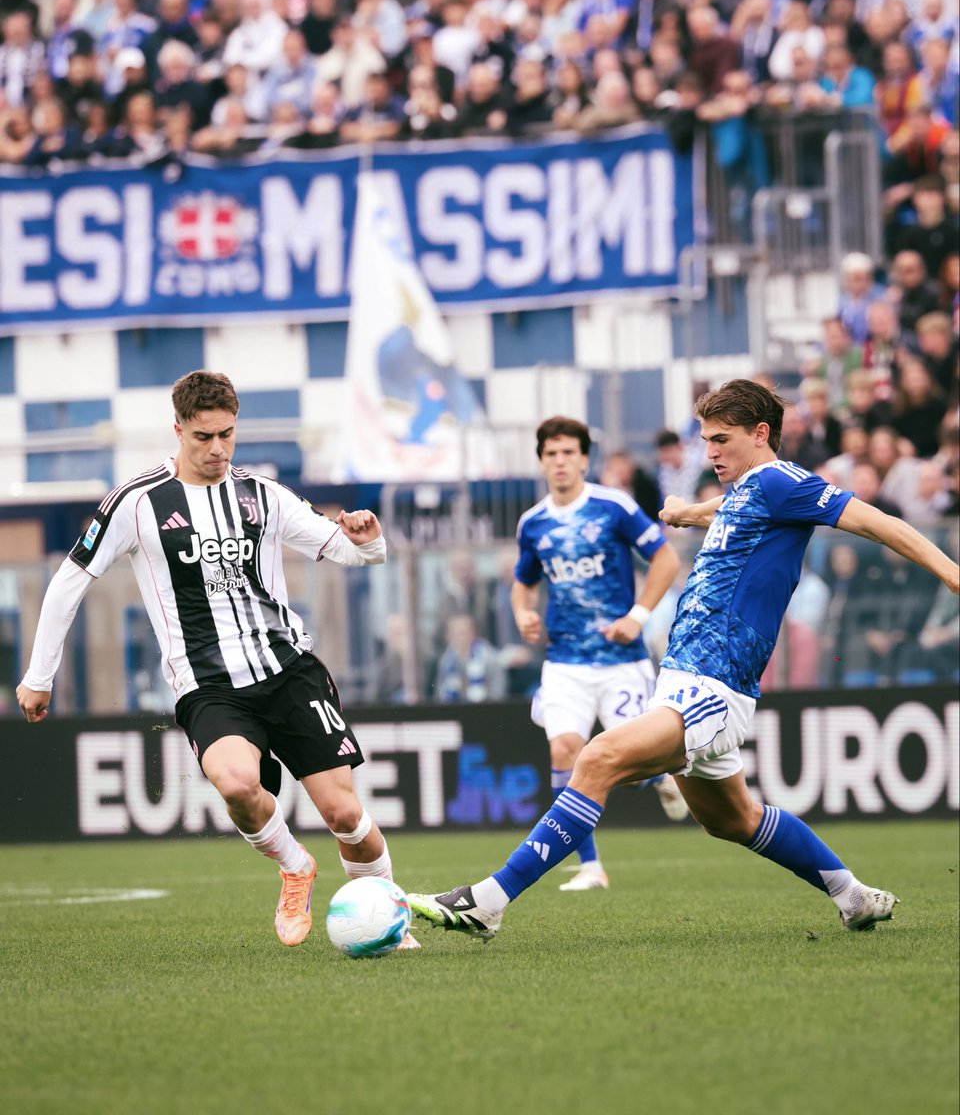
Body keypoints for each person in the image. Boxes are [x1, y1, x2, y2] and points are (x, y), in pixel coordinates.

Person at [408, 380, 959, 938]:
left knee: (597, 759)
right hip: (685, 677)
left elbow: (879, 523)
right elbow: (737, 506)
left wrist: (951, 573)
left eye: (721, 440)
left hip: (714, 681)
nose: (710, 451)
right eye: (705, 440)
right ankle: (853, 895)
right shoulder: (753, 488)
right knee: (732, 819)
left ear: (761, 433)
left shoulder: (782, 480)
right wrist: (690, 512)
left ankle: (489, 900)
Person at [16, 370, 418, 951]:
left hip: (288, 671)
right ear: (177, 429)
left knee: (345, 815)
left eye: (227, 435)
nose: (217, 449)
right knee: (234, 784)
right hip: (207, 686)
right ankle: (294, 867)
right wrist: (39, 675)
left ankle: (390, 921)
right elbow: (69, 581)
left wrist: (368, 536)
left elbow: (353, 554)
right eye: (203, 437)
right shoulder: (137, 503)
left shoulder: (263, 495)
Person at [505, 416, 687, 895]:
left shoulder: (614, 506)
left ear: (584, 459)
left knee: (627, 765)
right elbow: (523, 583)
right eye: (552, 453)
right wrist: (523, 613)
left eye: (569, 453)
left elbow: (666, 559)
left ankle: (660, 779)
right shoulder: (534, 523)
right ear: (542, 460)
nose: (560, 461)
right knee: (565, 750)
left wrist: (639, 614)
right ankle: (590, 866)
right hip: (564, 662)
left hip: (621, 661)